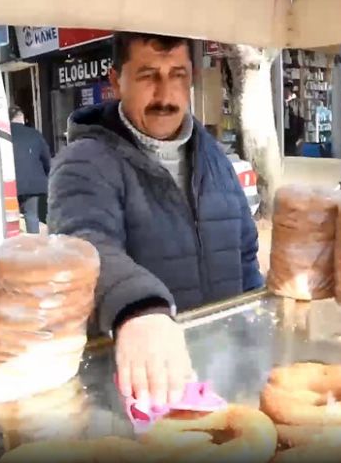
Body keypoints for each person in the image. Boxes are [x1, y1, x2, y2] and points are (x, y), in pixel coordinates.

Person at [48, 32, 263, 407]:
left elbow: (244, 259)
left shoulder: (216, 159)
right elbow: (85, 244)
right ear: (116, 81)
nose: (165, 96)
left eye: (177, 75)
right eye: (148, 75)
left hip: (227, 385)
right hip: (140, 399)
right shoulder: (83, 163)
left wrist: (257, 348)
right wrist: (139, 308)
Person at [10, 106, 51, 234]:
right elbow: (47, 159)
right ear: (21, 118)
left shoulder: (3, 135)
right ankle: (34, 248)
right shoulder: (34, 134)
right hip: (33, 184)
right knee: (32, 216)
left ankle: (15, 247)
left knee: (11, 220)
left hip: (11, 183)